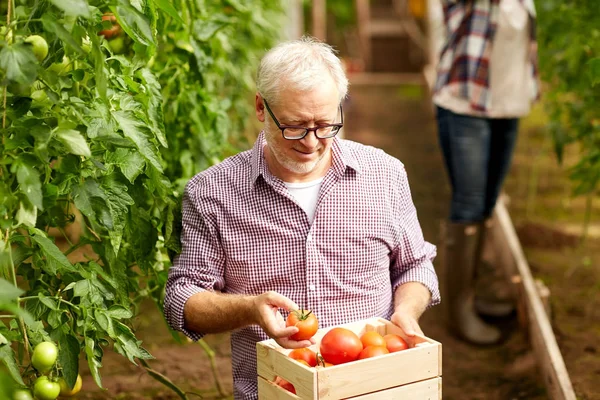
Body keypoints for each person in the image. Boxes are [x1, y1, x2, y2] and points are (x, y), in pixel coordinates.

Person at [164, 36, 440, 399]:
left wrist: (406, 310)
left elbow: (415, 266)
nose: (311, 141)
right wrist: (250, 308)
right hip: (277, 389)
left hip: (376, 387)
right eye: (295, 126)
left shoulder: (385, 175)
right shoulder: (213, 193)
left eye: (325, 125)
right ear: (261, 108)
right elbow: (181, 298)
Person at [432, 0, 539, 345]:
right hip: (466, 106)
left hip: (508, 105)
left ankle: (471, 296)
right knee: (470, 203)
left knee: (488, 201)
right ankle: (457, 312)